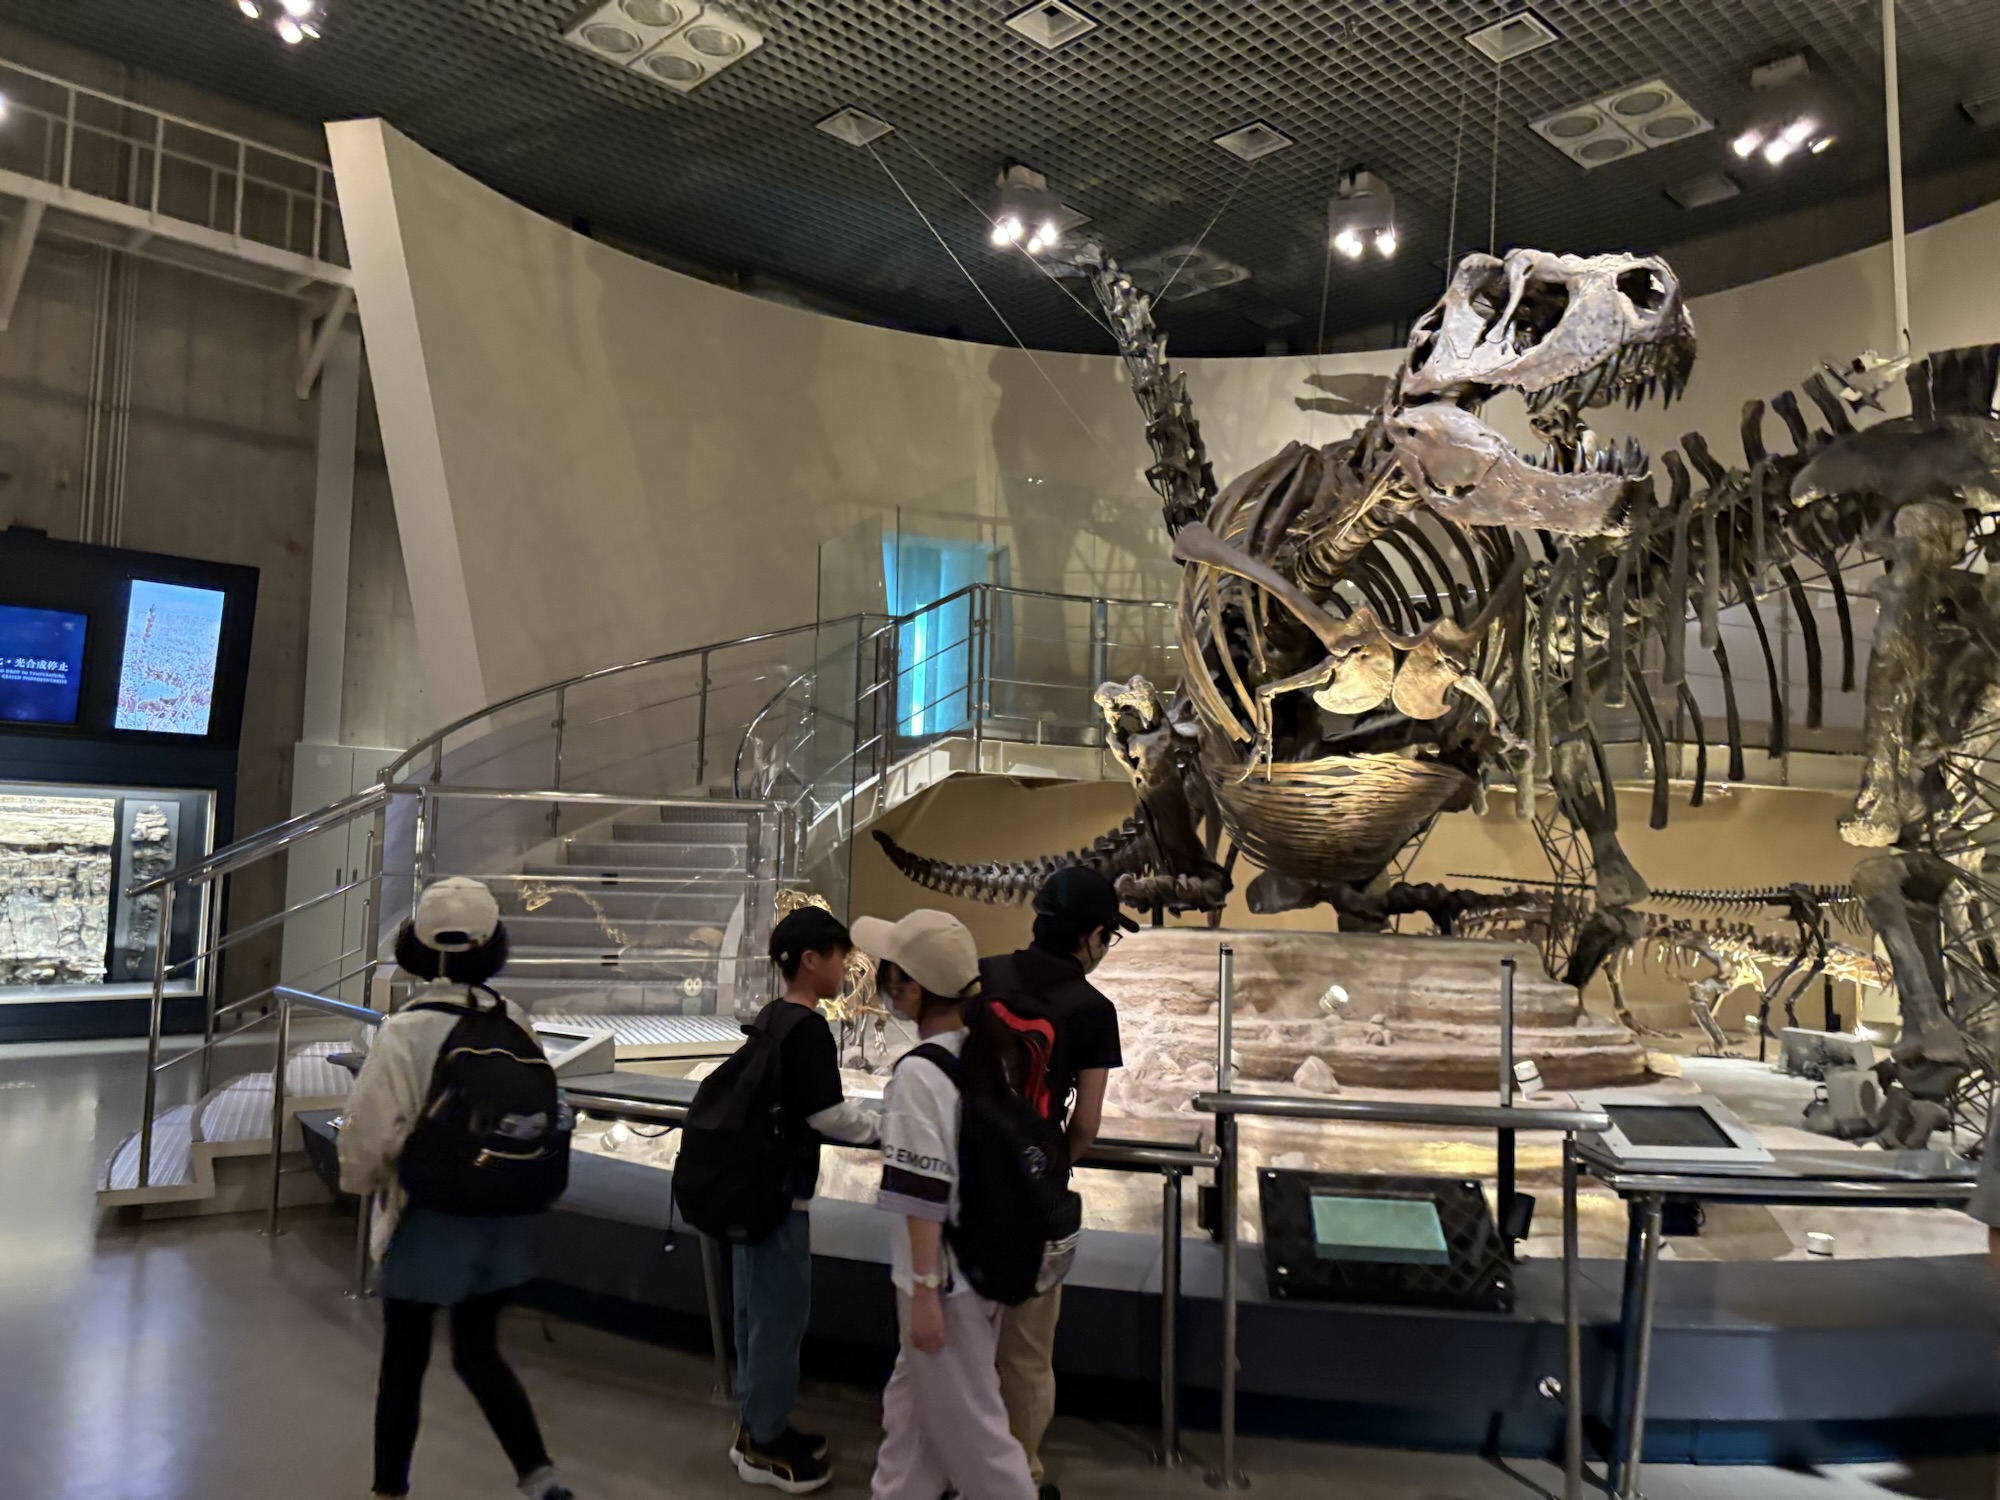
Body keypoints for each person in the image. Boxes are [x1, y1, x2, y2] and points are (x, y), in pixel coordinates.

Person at [338, 876, 575, 1500]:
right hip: (501, 1216)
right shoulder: (513, 1020)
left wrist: (363, 1183)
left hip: (428, 1220)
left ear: (416, 946)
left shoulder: (404, 1029)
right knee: (479, 1353)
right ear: (492, 944)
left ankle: (389, 1489)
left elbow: (369, 1133)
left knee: (404, 1361)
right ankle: (541, 1478)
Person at [854, 910, 1036, 1500]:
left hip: (942, 1284)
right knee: (910, 1424)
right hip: (975, 1273)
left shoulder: (919, 1075)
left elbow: (922, 1189)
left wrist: (926, 1291)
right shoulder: (984, 1056)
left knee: (979, 1442)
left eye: (890, 972)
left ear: (912, 987)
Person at [982, 866, 1136, 1500]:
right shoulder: (1094, 1010)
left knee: (964, 1343)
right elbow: (1087, 1125)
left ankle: (960, 1466)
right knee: (1025, 1352)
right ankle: (1017, 1477)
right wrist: (1051, 1164)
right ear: (1092, 936)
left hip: (966, 1183)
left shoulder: (984, 976)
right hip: (1031, 1204)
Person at [730, 907, 880, 1493]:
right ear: (812, 960)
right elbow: (826, 1114)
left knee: (754, 1313)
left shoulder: (772, 1017)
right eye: (841, 956)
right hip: (779, 1197)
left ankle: (756, 1425)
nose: (846, 968)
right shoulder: (809, 1028)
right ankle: (765, 1445)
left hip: (751, 1191)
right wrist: (883, 1129)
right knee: (778, 1318)